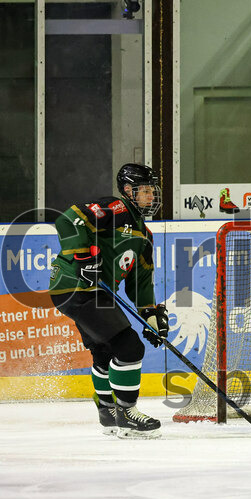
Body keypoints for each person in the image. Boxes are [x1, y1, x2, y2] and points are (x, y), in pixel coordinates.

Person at [48, 163, 167, 438]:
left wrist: (150, 315)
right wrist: (82, 256)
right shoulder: (116, 209)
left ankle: (107, 412)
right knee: (129, 347)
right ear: (128, 191)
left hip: (93, 294)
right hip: (77, 287)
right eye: (145, 191)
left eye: (153, 191)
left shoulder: (145, 236)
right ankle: (126, 412)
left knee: (104, 350)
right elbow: (68, 219)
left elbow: (140, 283)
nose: (151, 197)